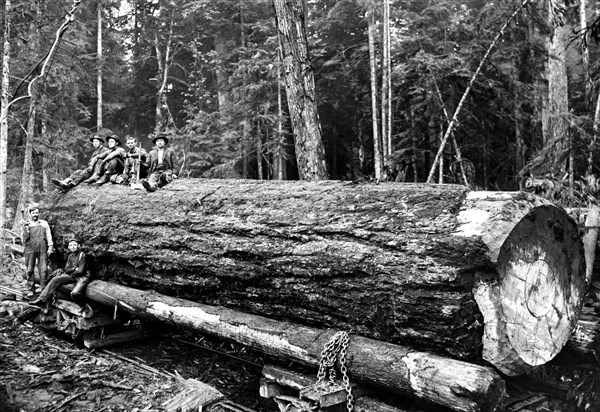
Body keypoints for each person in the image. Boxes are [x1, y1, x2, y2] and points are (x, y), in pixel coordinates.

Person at [30, 236, 91, 306]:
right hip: (73, 275)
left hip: (82, 277)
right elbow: (66, 269)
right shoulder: (70, 256)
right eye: (71, 245)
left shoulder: (82, 255)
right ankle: (41, 299)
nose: (73, 247)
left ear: (78, 246)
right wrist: (74, 269)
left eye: (74, 245)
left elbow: (81, 271)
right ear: (69, 247)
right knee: (55, 279)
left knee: (74, 293)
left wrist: (72, 270)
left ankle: (83, 306)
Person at [21, 203, 54, 297]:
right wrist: (24, 229)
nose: (35, 214)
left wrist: (50, 247)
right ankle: (30, 289)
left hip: (42, 248)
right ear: (30, 214)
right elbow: (23, 239)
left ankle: (44, 289)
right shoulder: (26, 224)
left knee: (43, 270)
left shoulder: (44, 223)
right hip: (29, 249)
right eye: (33, 213)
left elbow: (49, 235)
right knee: (29, 270)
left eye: (37, 213)